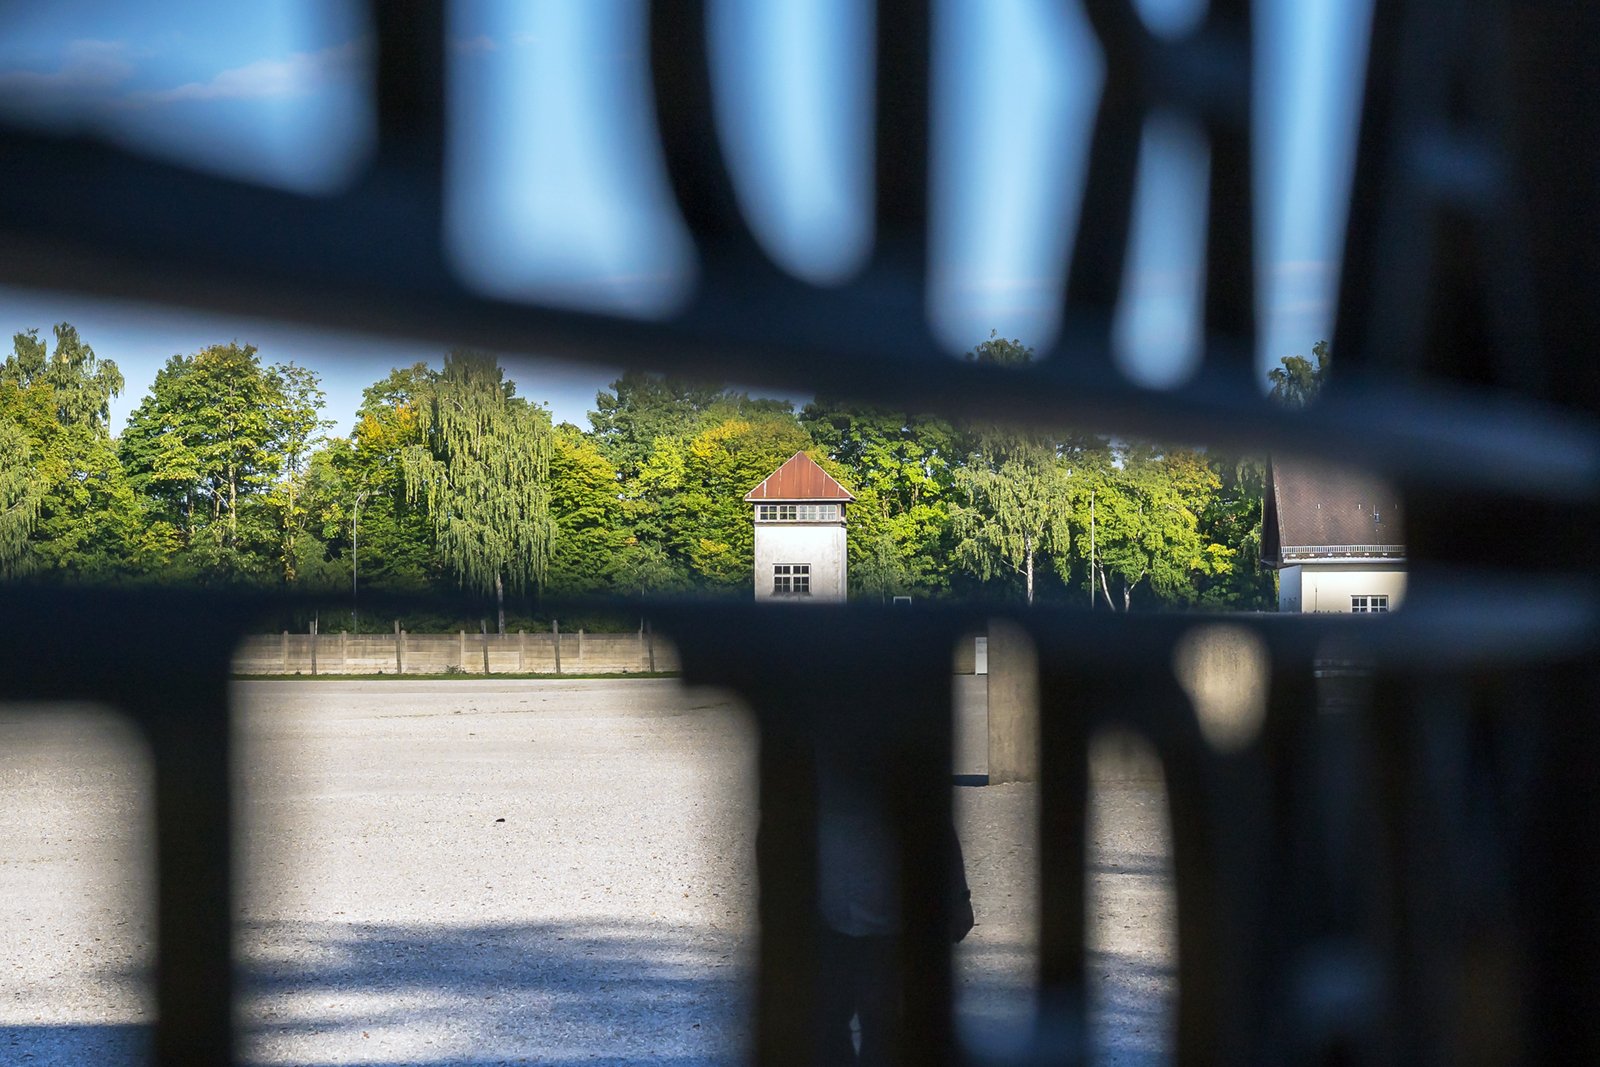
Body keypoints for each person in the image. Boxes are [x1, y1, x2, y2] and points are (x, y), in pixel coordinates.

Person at [815, 748, 975, 1065]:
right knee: (834, 1024)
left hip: (881, 923)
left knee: (876, 1025)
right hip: (837, 921)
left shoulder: (897, 774)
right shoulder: (819, 773)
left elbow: (938, 835)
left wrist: (957, 900)